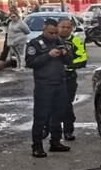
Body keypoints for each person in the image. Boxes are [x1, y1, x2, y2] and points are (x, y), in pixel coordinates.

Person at [25, 18, 71, 158]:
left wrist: (65, 54)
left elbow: (70, 60)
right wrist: (48, 55)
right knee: (41, 116)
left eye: (55, 32)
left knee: (58, 114)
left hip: (60, 83)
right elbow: (31, 62)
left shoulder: (59, 41)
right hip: (44, 85)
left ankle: (55, 141)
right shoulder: (35, 44)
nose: (53, 35)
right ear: (44, 29)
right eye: (51, 32)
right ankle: (37, 145)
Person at [57, 19, 88, 141]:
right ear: (57, 27)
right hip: (51, 78)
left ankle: (68, 130)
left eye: (67, 27)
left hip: (68, 78)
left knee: (66, 105)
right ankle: (52, 130)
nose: (64, 29)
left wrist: (69, 65)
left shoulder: (75, 40)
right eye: (62, 26)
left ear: (72, 29)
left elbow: (82, 58)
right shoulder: (51, 39)